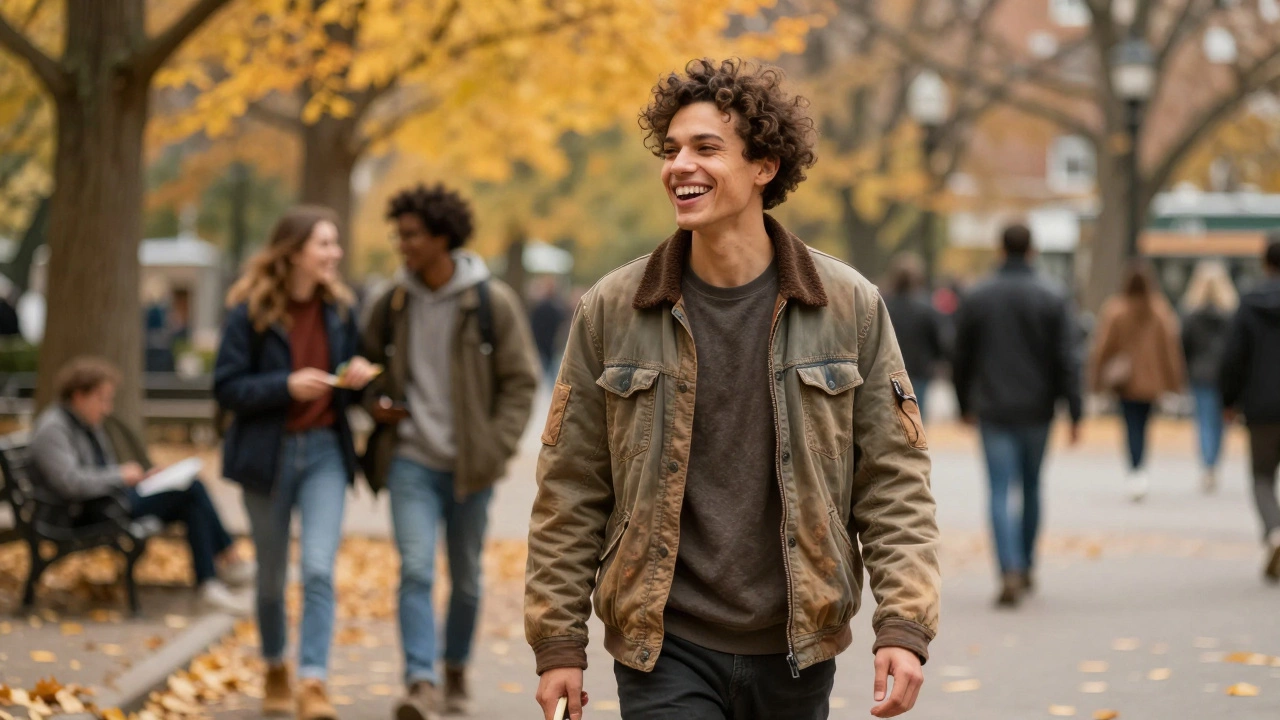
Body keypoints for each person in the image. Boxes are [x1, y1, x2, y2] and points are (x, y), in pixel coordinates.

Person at [525, 58, 940, 720]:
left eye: (705, 148)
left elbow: (892, 479)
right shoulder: (613, 309)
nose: (679, 165)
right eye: (671, 150)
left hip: (796, 646)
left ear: (763, 167)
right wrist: (558, 643)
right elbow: (570, 487)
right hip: (664, 646)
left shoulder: (847, 305)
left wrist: (905, 626)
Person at [361, 184, 538, 720]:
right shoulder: (391, 302)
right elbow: (363, 367)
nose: (402, 245)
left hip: (470, 467)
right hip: (411, 459)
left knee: (464, 579)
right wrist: (374, 401)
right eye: (399, 234)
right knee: (415, 569)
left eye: (411, 235)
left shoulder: (489, 300)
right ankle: (421, 680)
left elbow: (522, 382)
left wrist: (495, 447)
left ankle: (455, 667)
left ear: (442, 236)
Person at [214, 206, 379, 720]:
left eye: (335, 244)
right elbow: (227, 387)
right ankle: (274, 668)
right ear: (294, 252)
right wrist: (284, 385)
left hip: (325, 452)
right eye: (324, 245)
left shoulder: (341, 311)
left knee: (318, 570)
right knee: (270, 577)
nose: (336, 253)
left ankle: (313, 681)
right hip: (268, 456)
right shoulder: (250, 312)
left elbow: (353, 381)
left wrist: (357, 376)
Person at [29, 356, 253, 612]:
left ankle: (209, 582)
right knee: (191, 490)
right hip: (81, 512)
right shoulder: (54, 429)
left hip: (106, 500)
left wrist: (144, 478)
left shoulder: (85, 423)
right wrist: (120, 476)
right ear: (80, 396)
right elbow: (69, 483)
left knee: (190, 496)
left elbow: (98, 472)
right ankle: (226, 565)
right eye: (102, 399)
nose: (107, 408)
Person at [951, 224, 1082, 608]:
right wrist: (1075, 410)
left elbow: (961, 357)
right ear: (1032, 251)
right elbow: (1068, 358)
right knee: (1031, 487)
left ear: (999, 248)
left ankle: (1006, 567)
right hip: (1038, 409)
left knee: (998, 489)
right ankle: (1024, 565)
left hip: (993, 407)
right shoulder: (1052, 296)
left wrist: (964, 404)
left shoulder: (979, 296)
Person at [1088, 262, 1186, 502]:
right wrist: (1174, 382)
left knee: (1130, 425)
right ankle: (1140, 468)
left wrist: (1096, 380)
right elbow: (1170, 350)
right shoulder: (1160, 311)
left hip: (1126, 380)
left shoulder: (1116, 310)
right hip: (1151, 381)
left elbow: (1103, 348)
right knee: (1143, 425)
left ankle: (1135, 469)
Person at [1220, 237, 1280, 583]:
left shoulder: (1250, 305)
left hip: (1261, 406)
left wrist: (1228, 400)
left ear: (1265, 263)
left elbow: (1233, 357)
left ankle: (1274, 531)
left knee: (1261, 476)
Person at [1180, 261, 1238, 494]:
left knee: (1204, 421)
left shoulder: (1192, 315)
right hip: (1224, 374)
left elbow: (1185, 347)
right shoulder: (1231, 315)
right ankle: (1213, 462)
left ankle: (1207, 464)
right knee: (1220, 422)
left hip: (1201, 373)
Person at [882, 253, 946, 420]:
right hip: (919, 372)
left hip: (887, 372)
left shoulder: (884, 306)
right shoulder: (926, 308)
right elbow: (939, 341)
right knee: (915, 422)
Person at [528, 277, 570, 385]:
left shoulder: (541, 307)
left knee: (545, 376)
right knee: (553, 378)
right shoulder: (557, 307)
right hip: (550, 346)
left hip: (545, 346)